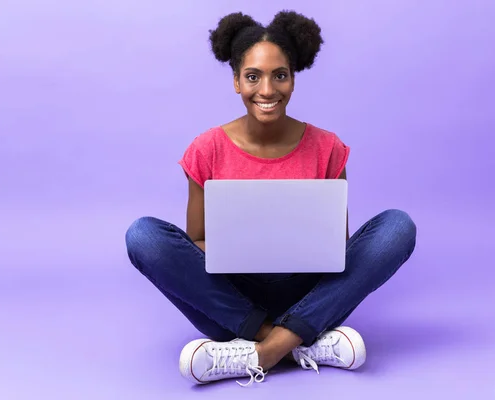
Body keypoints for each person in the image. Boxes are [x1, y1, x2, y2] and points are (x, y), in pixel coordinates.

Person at [125, 10, 417, 387]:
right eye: (253, 76)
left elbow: (338, 248)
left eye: (279, 75)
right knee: (143, 236)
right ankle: (291, 342)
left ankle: (259, 352)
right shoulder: (206, 149)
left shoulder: (326, 148)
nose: (267, 90)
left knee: (397, 227)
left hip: (310, 293)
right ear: (235, 81)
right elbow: (194, 239)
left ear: (293, 80)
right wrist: (241, 247)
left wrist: (293, 247)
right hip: (233, 301)